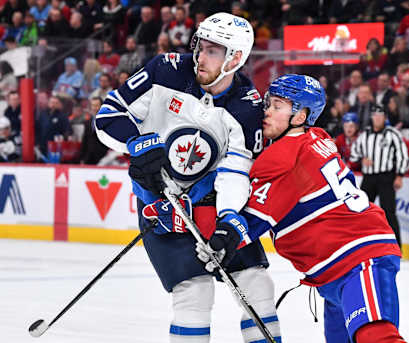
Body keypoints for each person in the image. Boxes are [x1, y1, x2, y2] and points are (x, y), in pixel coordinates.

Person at [95, 12, 281, 343]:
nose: (200, 56)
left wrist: (227, 219)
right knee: (193, 295)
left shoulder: (247, 107)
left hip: (208, 205)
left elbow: (237, 172)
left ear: (235, 58)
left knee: (256, 285)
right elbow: (109, 116)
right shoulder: (164, 69)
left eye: (213, 50)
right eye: (200, 45)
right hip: (160, 205)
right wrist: (138, 145)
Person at [197, 74, 406, 343]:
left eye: (277, 106)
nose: (267, 111)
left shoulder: (284, 156)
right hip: (335, 269)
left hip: (358, 261)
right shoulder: (318, 137)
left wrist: (224, 238)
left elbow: (254, 221)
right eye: (268, 103)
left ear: (299, 116)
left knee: (377, 338)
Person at [350, 104, 408, 248]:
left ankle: (396, 247)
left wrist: (400, 175)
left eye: (380, 116)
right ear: (371, 118)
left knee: (389, 212)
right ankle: (359, 246)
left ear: (385, 118)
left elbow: (402, 155)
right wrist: (361, 159)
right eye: (375, 115)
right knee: (361, 211)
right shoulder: (364, 135)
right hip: (368, 177)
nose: (377, 118)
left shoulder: (392, 134)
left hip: (386, 177)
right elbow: (354, 153)